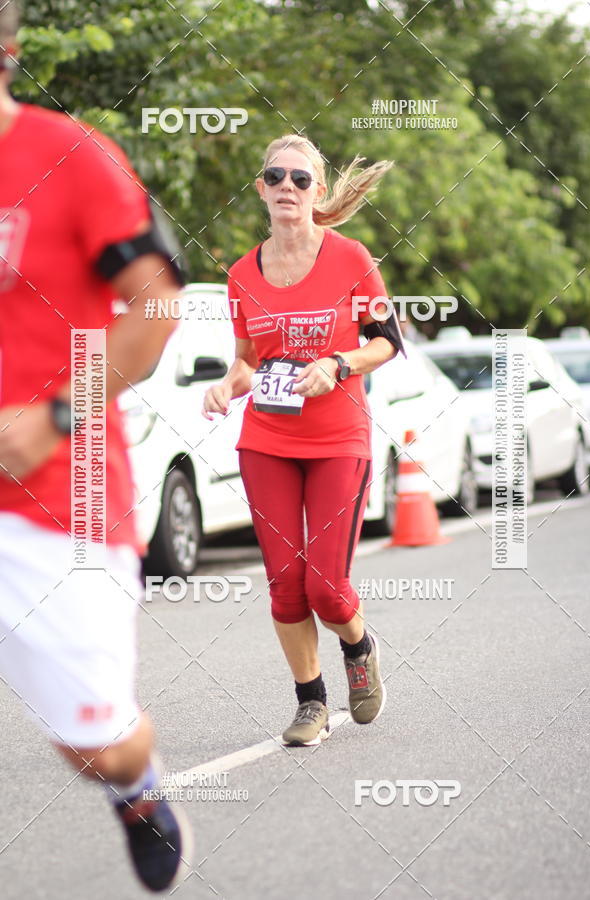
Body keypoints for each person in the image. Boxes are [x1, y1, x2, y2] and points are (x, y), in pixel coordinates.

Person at [0, 3, 192, 891]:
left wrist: (52, 418)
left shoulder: (72, 158)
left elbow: (155, 312)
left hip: (56, 502)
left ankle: (138, 789)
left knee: (98, 746)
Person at [203, 134, 404, 746]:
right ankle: (310, 701)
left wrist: (340, 364)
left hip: (340, 439)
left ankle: (359, 643)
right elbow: (247, 363)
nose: (287, 188)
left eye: (300, 179)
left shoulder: (350, 258)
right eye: (275, 177)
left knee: (325, 586)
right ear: (260, 188)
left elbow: (388, 340)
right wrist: (225, 386)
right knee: (287, 585)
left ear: (317, 192)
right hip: (266, 438)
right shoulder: (241, 274)